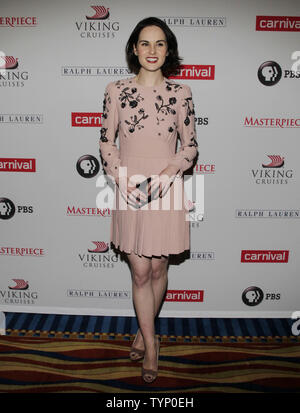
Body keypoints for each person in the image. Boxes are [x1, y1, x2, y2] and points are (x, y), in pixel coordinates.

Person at [99, 16, 198, 383]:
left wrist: (167, 177)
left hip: (167, 187)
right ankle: (153, 345)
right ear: (134, 49)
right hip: (129, 187)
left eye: (159, 44)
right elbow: (106, 141)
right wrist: (121, 178)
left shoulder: (181, 93)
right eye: (145, 43)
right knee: (141, 271)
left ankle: (144, 331)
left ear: (168, 49)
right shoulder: (115, 90)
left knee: (159, 269)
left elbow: (190, 147)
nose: (152, 50)